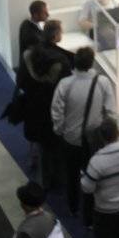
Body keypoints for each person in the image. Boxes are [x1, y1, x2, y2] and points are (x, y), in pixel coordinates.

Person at [51, 46, 114, 215]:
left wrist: (61, 130)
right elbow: (110, 112)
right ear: (91, 62)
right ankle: (90, 213)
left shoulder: (65, 84)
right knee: (93, 176)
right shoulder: (103, 82)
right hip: (94, 140)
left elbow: (56, 111)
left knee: (71, 175)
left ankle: (73, 207)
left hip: (71, 139)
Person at [18, 18, 73, 186]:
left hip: (33, 107)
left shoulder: (30, 54)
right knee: (53, 147)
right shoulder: (61, 61)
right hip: (50, 110)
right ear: (56, 35)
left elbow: (21, 79)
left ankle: (41, 173)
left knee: (40, 144)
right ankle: (54, 179)